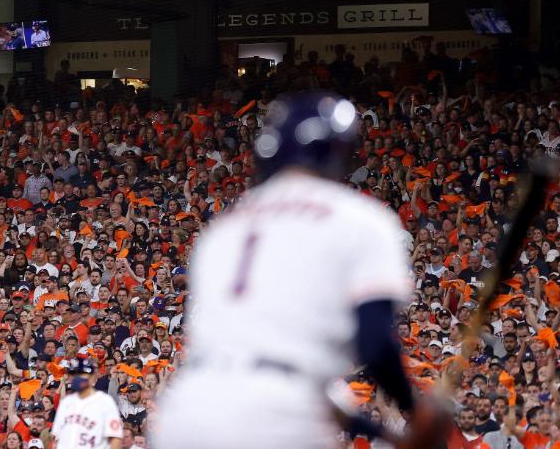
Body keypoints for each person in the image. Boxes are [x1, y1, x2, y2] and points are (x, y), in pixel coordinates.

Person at [152, 91, 449, 449]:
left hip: (188, 409)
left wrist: (385, 435)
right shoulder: (358, 218)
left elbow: (293, 379)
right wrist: (414, 411)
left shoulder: (225, 229)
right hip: (277, 416)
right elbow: (373, 343)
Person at [51, 358, 122, 449]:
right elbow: (57, 436)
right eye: (73, 374)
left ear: (92, 376)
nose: (76, 377)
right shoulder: (66, 403)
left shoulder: (105, 402)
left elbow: (115, 438)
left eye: (81, 374)